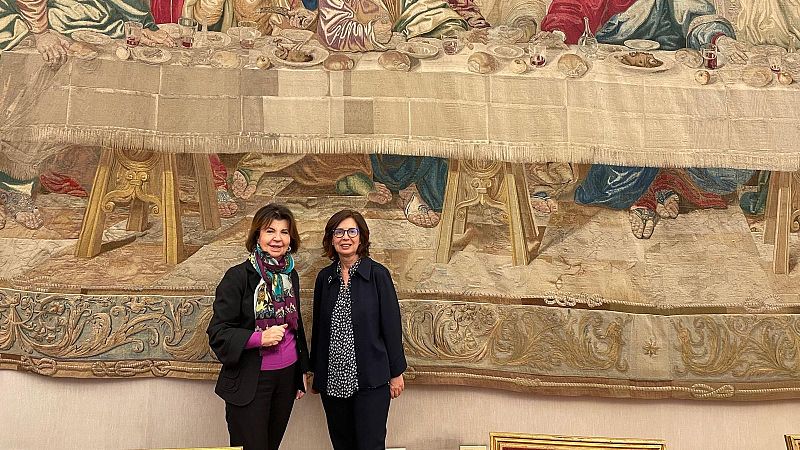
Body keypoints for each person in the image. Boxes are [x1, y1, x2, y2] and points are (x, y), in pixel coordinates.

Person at [536, 0, 753, 239]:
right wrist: (557, 33)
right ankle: (651, 191)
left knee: (723, 165)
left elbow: (696, 12)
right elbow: (571, 7)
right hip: (613, 74)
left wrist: (719, 39)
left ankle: (662, 182)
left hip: (669, 72)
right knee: (615, 184)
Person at [207, 203, 310, 450]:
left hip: (286, 378)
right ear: (257, 236)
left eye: (284, 232)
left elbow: (296, 326)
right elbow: (218, 333)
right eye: (270, 231)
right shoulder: (237, 277)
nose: (277, 238)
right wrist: (259, 338)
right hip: (251, 381)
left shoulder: (290, 275)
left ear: (291, 239)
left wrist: (301, 371)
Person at [310, 208, 407, 450]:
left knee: (370, 445)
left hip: (371, 381)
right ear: (331, 239)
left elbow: (392, 327)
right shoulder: (324, 278)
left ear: (361, 237)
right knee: (342, 445)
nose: (345, 237)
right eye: (339, 232)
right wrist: (316, 373)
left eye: (352, 231)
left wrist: (396, 373)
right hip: (333, 381)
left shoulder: (378, 275)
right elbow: (319, 329)